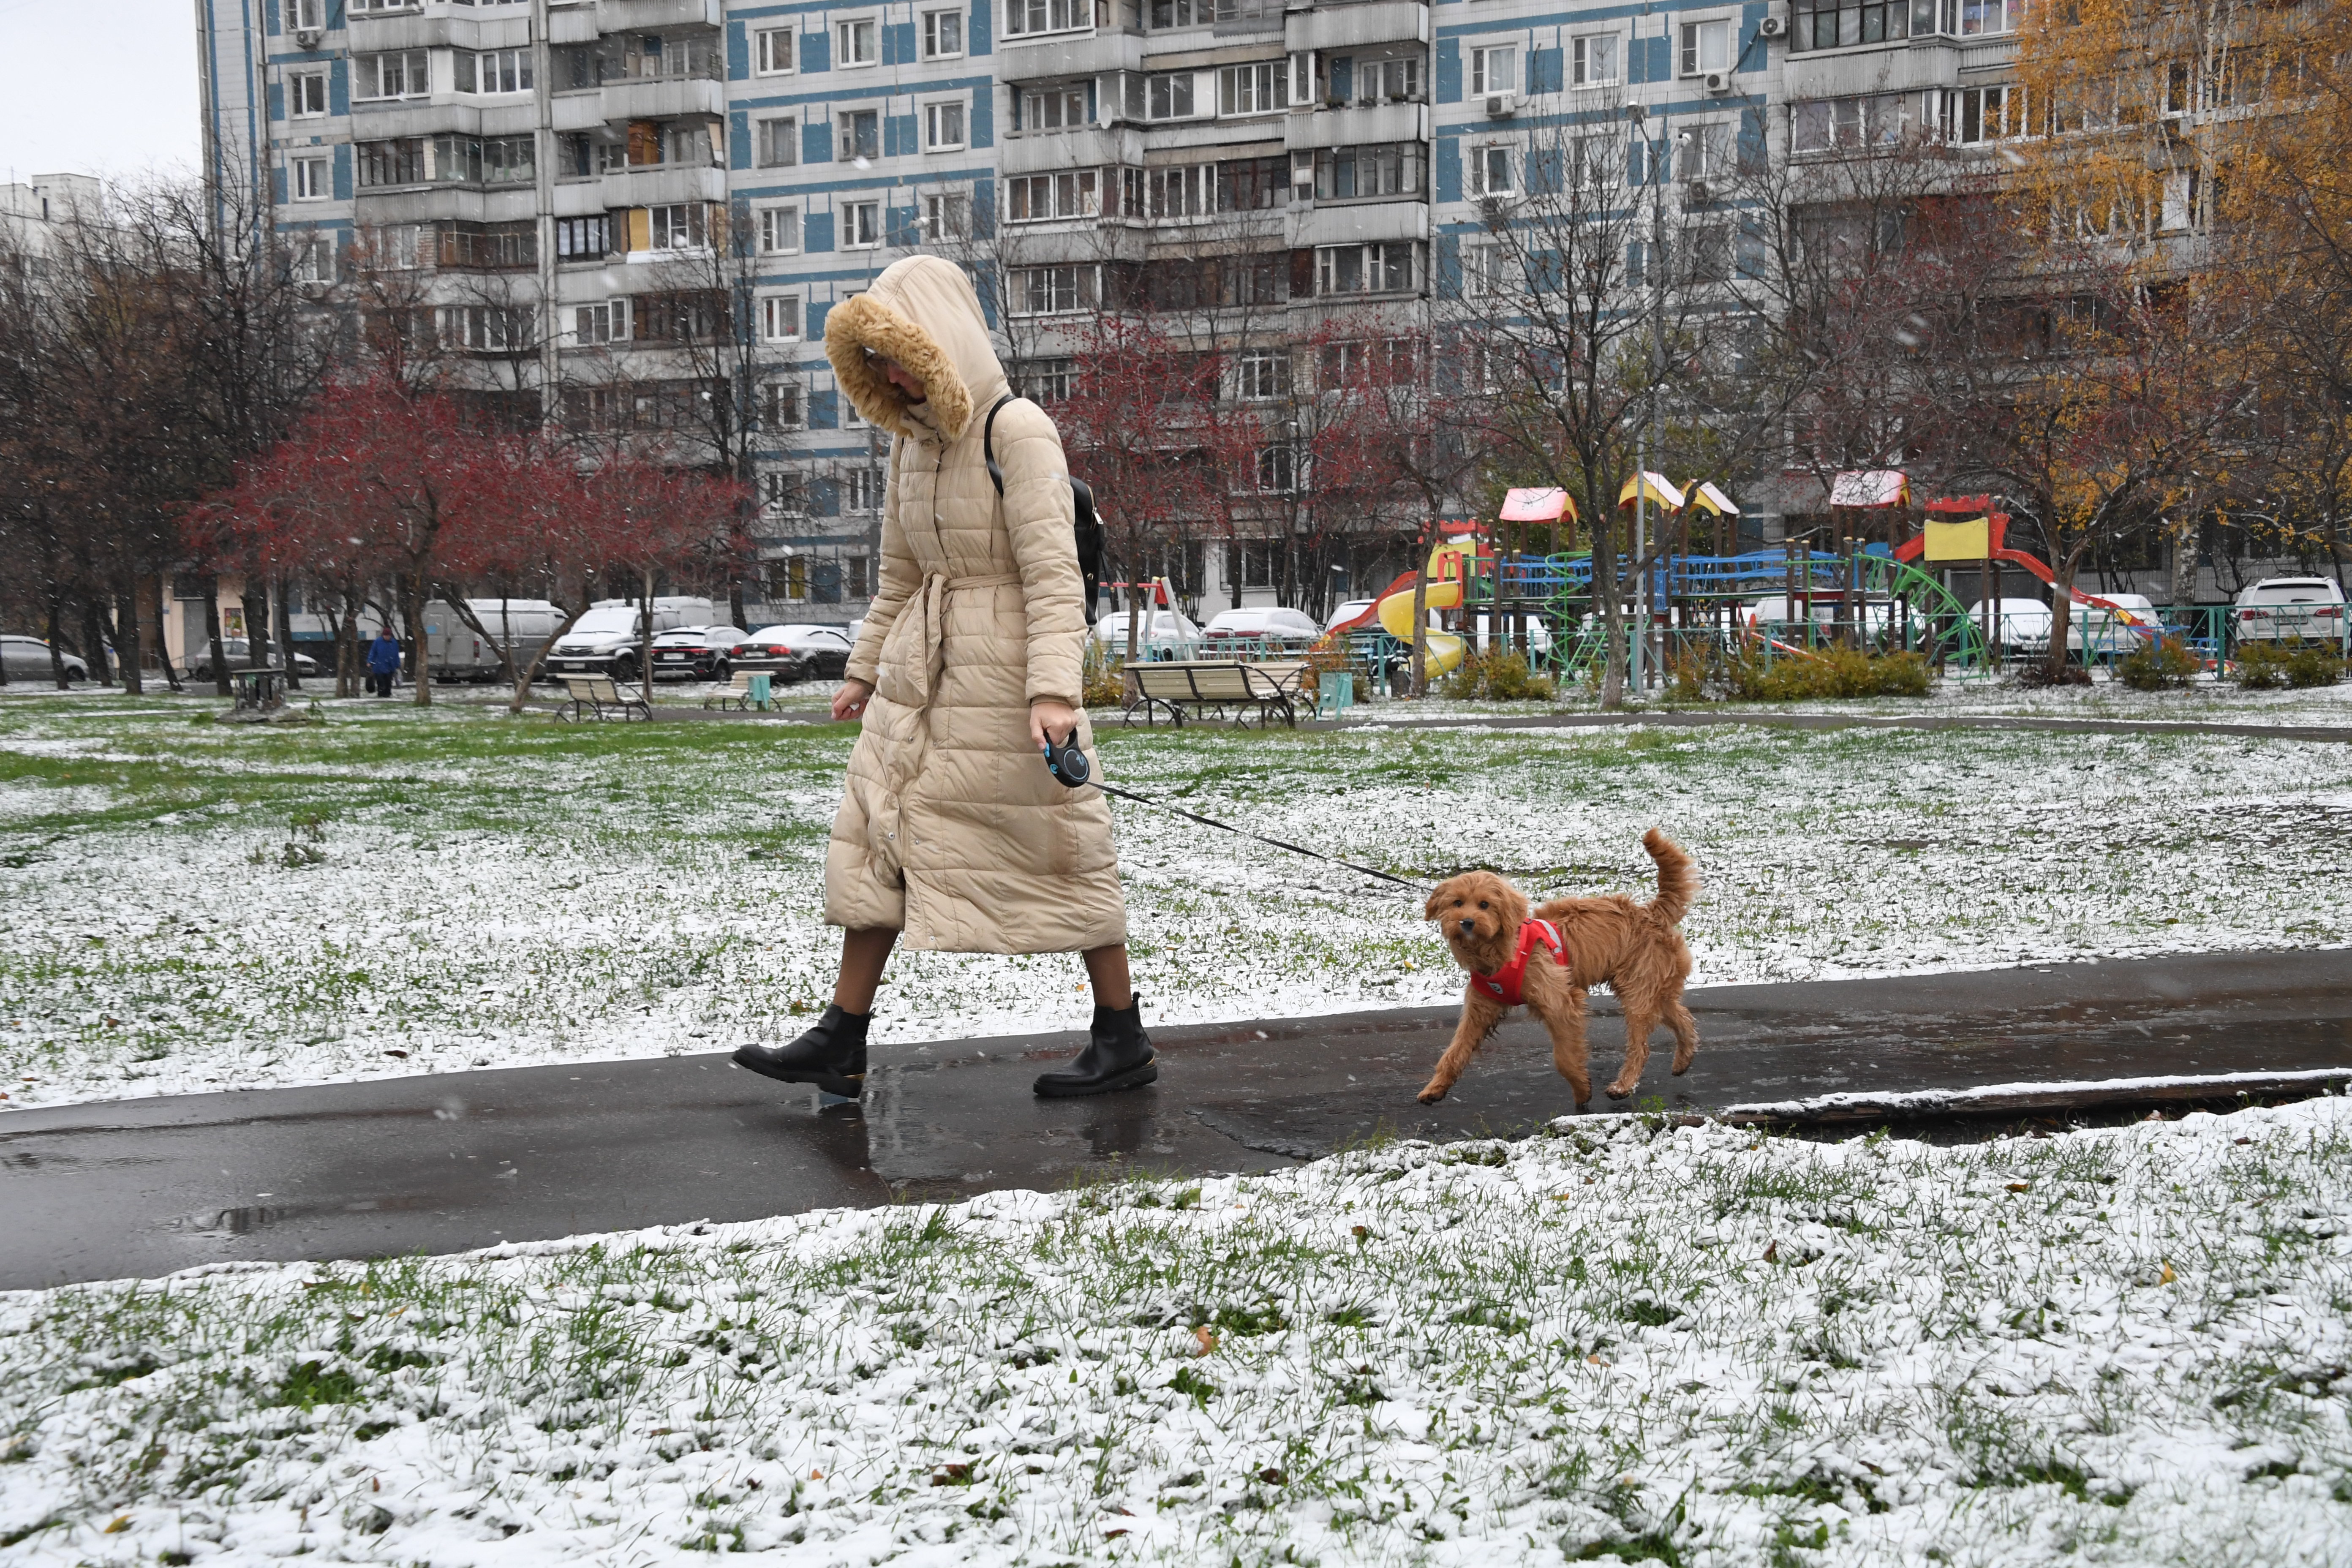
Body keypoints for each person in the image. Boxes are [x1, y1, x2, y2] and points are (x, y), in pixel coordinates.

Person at [731, 255, 1151, 1101]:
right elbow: (898, 575)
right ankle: (841, 1037)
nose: (889, 374)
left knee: (1062, 848)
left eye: (900, 352)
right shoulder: (909, 449)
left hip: (1006, 682)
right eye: (875, 359)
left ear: (940, 341)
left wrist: (1053, 694)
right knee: (876, 840)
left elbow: (1055, 573)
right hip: (919, 681)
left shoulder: (1018, 428)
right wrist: (863, 670)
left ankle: (1121, 1036)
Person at [365, 628, 400, 697]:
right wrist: (370, 661)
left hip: (390, 665)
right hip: (379, 666)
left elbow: (396, 654)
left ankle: (388, 694)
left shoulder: (394, 643)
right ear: (383, 636)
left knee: (389, 681)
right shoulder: (378, 642)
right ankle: (381, 694)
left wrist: (397, 664)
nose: (387, 637)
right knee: (381, 681)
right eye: (386, 636)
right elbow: (373, 652)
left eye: (388, 636)